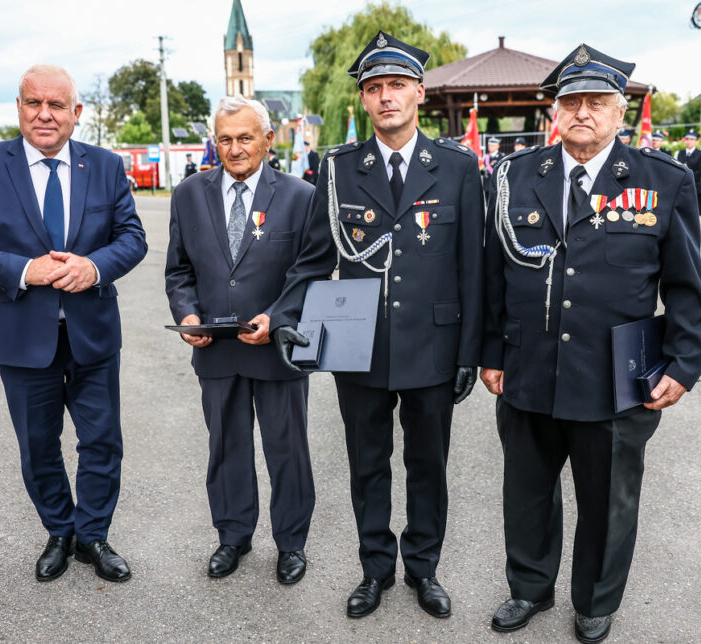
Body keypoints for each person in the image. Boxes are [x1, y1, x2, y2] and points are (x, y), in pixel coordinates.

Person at [481, 44, 701, 644]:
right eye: (571, 101)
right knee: (527, 494)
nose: (582, 112)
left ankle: (595, 601)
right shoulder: (512, 177)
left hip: (614, 376)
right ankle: (530, 588)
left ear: (619, 112)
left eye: (596, 102)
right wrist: (490, 351)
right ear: (555, 111)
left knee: (608, 503)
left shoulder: (662, 181)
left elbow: (686, 286)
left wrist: (684, 366)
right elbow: (492, 274)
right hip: (528, 368)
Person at [269, 31, 484, 620]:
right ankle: (374, 569)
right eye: (374, 88)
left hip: (434, 346)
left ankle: (424, 569)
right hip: (357, 344)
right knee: (367, 463)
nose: (386, 97)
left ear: (419, 91)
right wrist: (289, 316)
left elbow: (473, 266)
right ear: (363, 100)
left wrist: (471, 350)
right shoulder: (337, 168)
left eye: (396, 85)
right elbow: (315, 258)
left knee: (427, 465)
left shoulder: (459, 168)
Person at [0, 64, 147, 584]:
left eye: (57, 105)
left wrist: (93, 266)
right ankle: (60, 530)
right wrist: (24, 270)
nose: (45, 115)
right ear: (18, 108)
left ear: (76, 114)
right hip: (21, 336)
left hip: (93, 331)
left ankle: (93, 536)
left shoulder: (104, 166)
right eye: (34, 103)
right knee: (38, 445)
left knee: (102, 442)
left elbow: (132, 236)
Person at [165, 95, 316, 584]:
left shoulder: (299, 195)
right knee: (226, 446)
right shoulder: (189, 193)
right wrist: (186, 314)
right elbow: (179, 270)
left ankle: (291, 544)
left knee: (287, 449)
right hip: (216, 349)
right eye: (225, 138)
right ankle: (233, 536)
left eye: (245, 137)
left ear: (268, 140)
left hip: (276, 348)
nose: (234, 148)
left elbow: (308, 272)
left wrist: (277, 316)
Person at [676, 130, 701, 217]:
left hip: (694, 187)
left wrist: (687, 178)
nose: (689, 141)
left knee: (694, 215)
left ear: (696, 141)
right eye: (687, 139)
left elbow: (700, 171)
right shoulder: (680, 153)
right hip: (681, 188)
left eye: (692, 139)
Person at [483, 137, 503, 208]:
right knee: (488, 205)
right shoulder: (485, 157)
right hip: (487, 185)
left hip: (496, 184)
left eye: (492, 145)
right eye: (489, 145)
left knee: (497, 205)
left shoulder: (501, 156)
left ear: (498, 146)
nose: (490, 147)